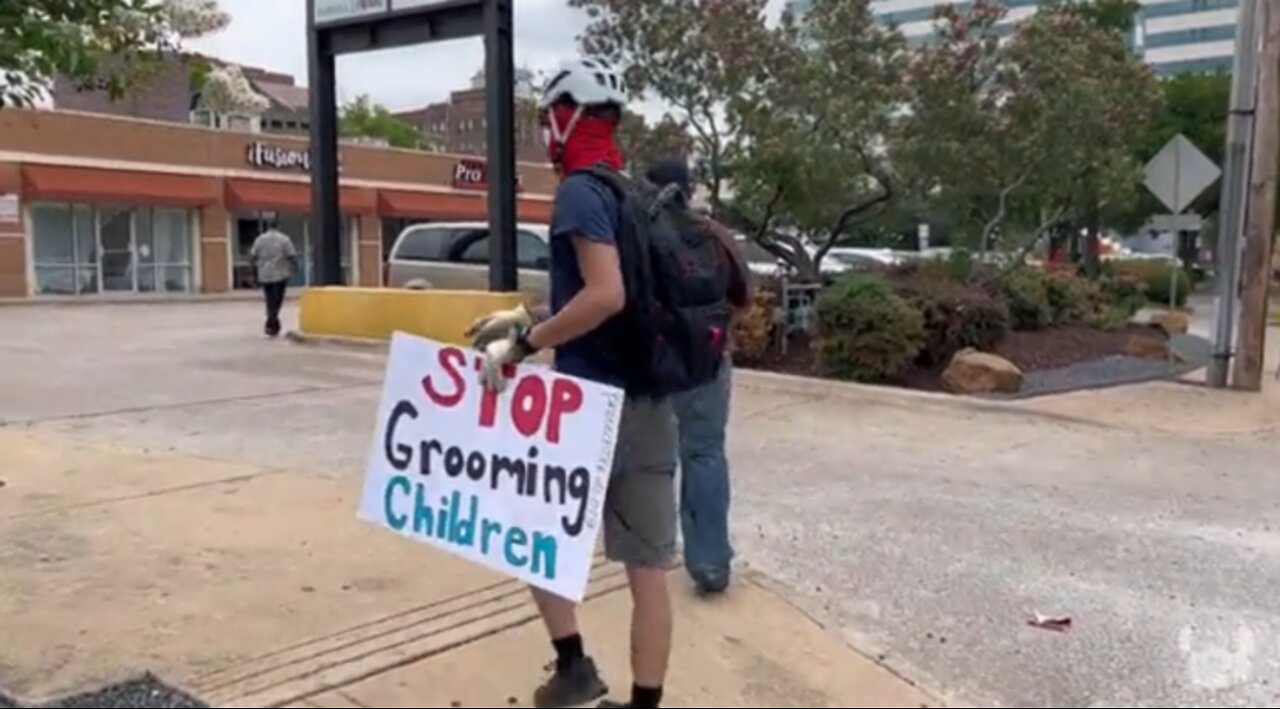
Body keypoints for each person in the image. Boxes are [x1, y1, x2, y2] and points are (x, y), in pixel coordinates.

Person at [465, 57, 680, 709]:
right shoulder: (635, 191)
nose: (546, 134)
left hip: (589, 404)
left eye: (548, 120)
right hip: (650, 399)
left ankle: (574, 666)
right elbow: (615, 291)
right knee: (648, 570)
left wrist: (525, 344)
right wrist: (527, 312)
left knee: (531, 535)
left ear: (569, 117)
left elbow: (606, 293)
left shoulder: (581, 190)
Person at [645, 158, 752, 596]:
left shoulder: (639, 235)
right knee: (705, 453)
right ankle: (709, 564)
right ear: (688, 189)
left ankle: (650, 555)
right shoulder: (715, 235)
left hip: (655, 362)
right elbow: (744, 295)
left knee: (655, 461)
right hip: (708, 359)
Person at [249, 216, 298, 338]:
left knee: (269, 299)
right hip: (280, 274)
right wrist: (295, 267)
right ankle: (272, 321)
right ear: (278, 226)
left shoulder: (260, 239)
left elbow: (253, 257)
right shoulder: (284, 239)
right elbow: (291, 255)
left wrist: (253, 273)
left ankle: (272, 323)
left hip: (265, 274)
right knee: (278, 300)